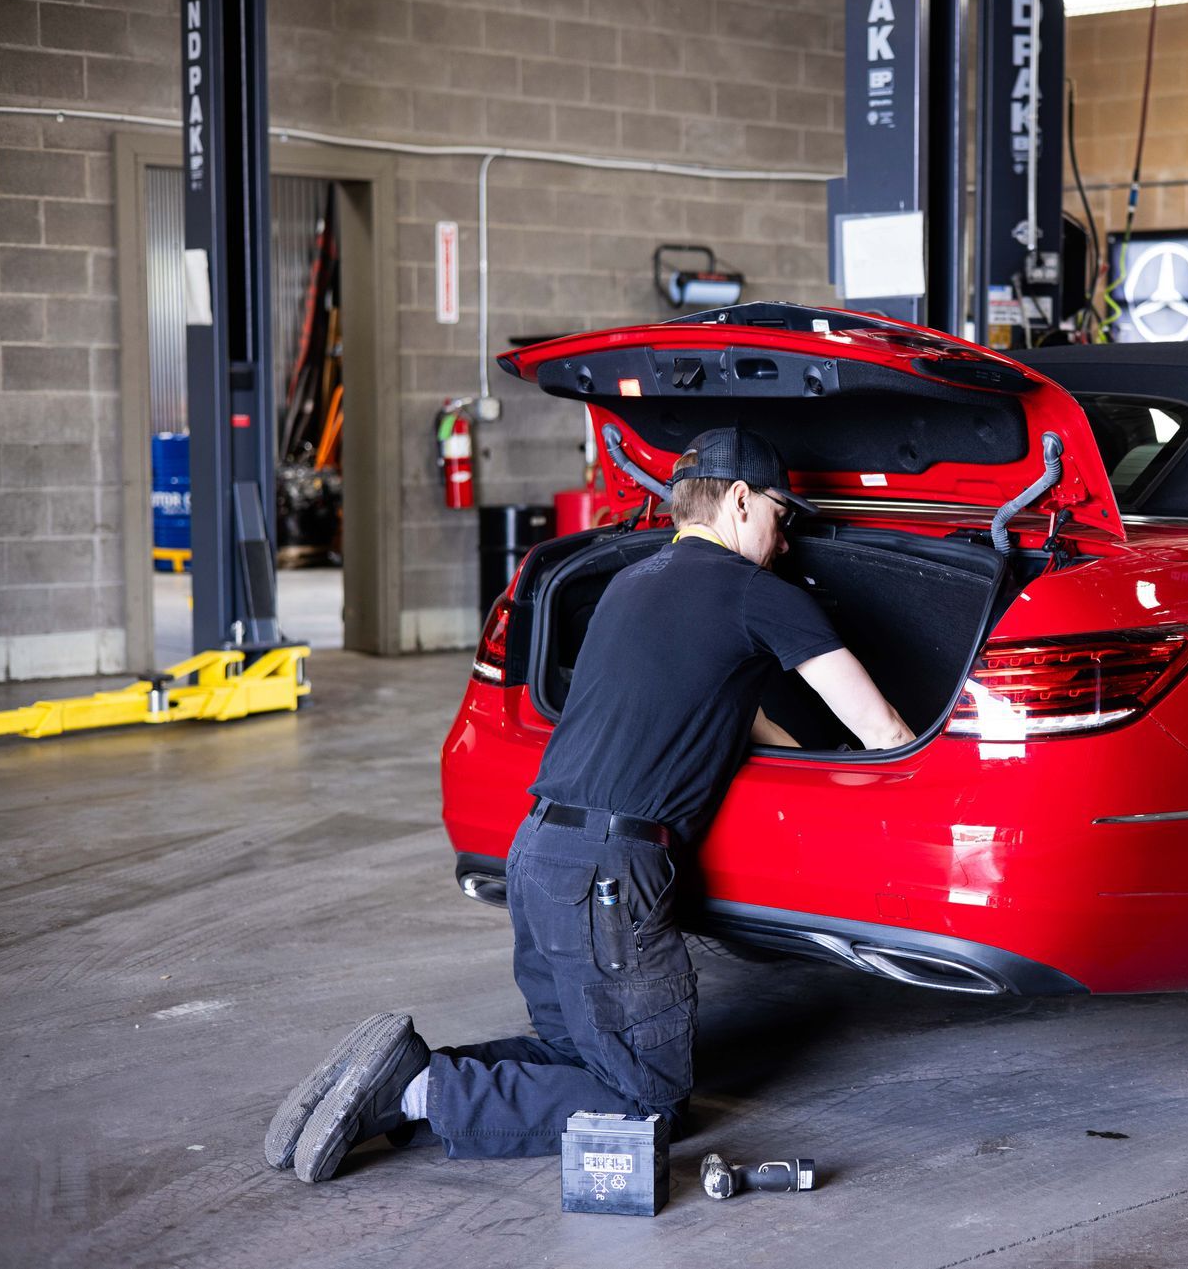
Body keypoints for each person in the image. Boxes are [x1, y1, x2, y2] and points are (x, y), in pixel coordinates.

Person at [266, 426, 914, 1182]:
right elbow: (884, 732)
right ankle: (417, 1090)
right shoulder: (759, 595)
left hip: (538, 853)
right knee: (649, 1103)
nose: (786, 539)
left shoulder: (629, 583)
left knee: (572, 1054)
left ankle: (397, 1076)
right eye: (782, 515)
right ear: (740, 501)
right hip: (610, 878)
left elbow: (746, 722)